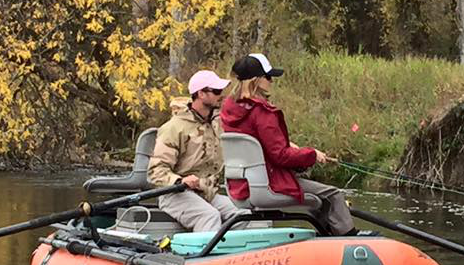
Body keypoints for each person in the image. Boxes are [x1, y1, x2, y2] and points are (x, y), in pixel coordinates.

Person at [220, 53, 369, 236]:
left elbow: (253, 139)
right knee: (333, 195)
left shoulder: (230, 110)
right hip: (270, 183)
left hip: (239, 187)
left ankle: (328, 236)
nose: (272, 81)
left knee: (320, 198)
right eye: (269, 77)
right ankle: (348, 238)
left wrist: (286, 143)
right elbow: (281, 156)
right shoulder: (263, 113)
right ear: (256, 80)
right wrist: (312, 155)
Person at [148, 70, 245, 232]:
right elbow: (155, 171)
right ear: (201, 94)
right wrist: (180, 181)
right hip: (174, 195)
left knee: (242, 215)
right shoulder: (174, 128)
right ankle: (204, 255)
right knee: (209, 216)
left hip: (207, 194)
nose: (221, 95)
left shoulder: (217, 124)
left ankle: (236, 254)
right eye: (216, 92)